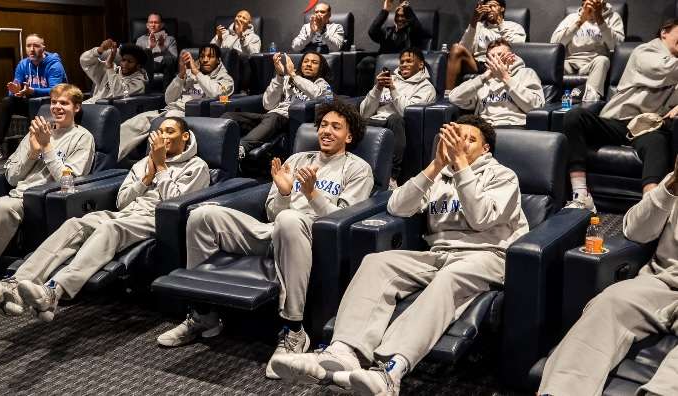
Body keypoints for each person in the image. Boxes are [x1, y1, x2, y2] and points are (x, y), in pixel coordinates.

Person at [270, 115, 529, 395]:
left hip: (488, 255)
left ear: (486, 148)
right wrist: (436, 166)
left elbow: (480, 218)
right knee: (377, 263)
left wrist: (462, 166)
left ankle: (391, 370)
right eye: (457, 136)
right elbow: (397, 206)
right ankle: (343, 351)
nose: (461, 143)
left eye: (470, 139)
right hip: (440, 253)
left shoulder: (502, 176)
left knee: (450, 277)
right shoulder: (441, 176)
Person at [156, 101, 374, 381]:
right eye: (323, 125)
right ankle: (203, 315)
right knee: (202, 215)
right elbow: (273, 211)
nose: (326, 131)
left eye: (336, 127)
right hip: (274, 230)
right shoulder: (296, 160)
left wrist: (312, 195)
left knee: (290, 221)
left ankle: (294, 331)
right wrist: (284, 193)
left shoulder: (358, 169)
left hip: (313, 238)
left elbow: (342, 220)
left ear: (350, 136)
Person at [0, 117, 210, 322]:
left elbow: (175, 204)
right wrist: (146, 178)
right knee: (76, 224)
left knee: (111, 227)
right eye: (160, 132)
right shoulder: (142, 163)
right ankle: (14, 285)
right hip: (126, 214)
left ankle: (53, 291)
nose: (163, 136)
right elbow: (122, 201)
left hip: (156, 220)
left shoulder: (197, 166)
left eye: (170, 131)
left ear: (185, 136)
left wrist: (162, 167)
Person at [0, 84, 95, 316]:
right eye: (54, 102)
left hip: (35, 203)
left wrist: (47, 147)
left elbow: (68, 181)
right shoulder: (38, 131)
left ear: (77, 107)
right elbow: (12, 176)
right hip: (11, 196)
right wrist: (32, 152)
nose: (57, 107)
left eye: (64, 103)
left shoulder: (83, 138)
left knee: (3, 207)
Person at [538, 156, 678, 396]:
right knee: (610, 301)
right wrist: (672, 184)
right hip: (662, 280)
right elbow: (634, 231)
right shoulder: (674, 182)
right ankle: (560, 390)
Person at [562, 19, 678, 212]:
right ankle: (581, 194)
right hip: (617, 121)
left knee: (657, 143)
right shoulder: (645, 52)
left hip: (648, 127)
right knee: (574, 117)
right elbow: (665, 70)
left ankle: (649, 208)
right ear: (664, 32)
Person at [118, 44, 234, 160]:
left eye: (210, 56)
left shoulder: (225, 79)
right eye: (202, 56)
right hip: (169, 111)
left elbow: (216, 94)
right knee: (133, 123)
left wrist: (196, 72)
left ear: (218, 60)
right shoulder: (189, 75)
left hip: (192, 115)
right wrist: (181, 75)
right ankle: (109, 159)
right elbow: (168, 99)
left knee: (167, 121)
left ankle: (154, 164)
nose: (205, 60)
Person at [0, 33, 67, 162]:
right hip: (31, 103)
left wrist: (32, 91)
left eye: (36, 45)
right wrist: (16, 92)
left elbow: (56, 90)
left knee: (36, 105)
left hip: (52, 104)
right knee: (8, 101)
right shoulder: (23, 65)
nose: (31, 49)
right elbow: (15, 86)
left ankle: (40, 148)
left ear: (43, 48)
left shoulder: (54, 65)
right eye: (28, 45)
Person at [222, 51, 330, 159]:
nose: (308, 64)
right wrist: (280, 76)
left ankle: (241, 148)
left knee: (273, 117)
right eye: (306, 61)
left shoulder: (322, 84)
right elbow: (268, 104)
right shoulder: (287, 79)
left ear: (320, 67)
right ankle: (220, 148)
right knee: (229, 117)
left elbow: (317, 95)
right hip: (270, 117)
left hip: (289, 120)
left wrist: (293, 74)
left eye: (314, 62)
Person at [360, 47, 436, 185]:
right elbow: (364, 113)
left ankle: (392, 177)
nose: (404, 64)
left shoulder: (426, 88)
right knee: (351, 118)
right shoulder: (389, 79)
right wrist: (377, 88)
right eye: (402, 61)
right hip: (374, 121)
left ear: (420, 64)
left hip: (397, 124)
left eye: (409, 61)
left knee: (395, 119)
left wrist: (393, 89)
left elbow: (406, 113)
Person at [449, 39, 544, 127]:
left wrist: (505, 78)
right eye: (492, 57)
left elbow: (535, 106)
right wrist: (485, 76)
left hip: (515, 126)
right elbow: (454, 98)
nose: (497, 60)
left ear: (512, 57)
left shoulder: (526, 73)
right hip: (485, 129)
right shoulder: (481, 81)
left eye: (501, 55)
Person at [551, 0, 624, 101]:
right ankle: (550, 102)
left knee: (602, 60)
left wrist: (600, 20)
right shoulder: (572, 18)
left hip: (594, 64)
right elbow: (555, 43)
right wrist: (580, 21)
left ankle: (590, 99)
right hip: (571, 64)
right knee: (553, 64)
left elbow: (616, 46)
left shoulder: (613, 17)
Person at [446, 0, 526, 91]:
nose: (489, 9)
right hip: (479, 64)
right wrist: (474, 20)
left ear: (502, 8)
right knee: (456, 48)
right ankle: (447, 97)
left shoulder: (514, 27)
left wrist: (500, 24)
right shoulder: (478, 26)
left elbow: (516, 48)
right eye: (487, 7)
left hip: (502, 63)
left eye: (493, 6)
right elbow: (465, 47)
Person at [357, 0, 426, 95]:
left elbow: (418, 28)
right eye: (397, 16)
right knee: (366, 62)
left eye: (403, 16)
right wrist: (385, 10)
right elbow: (372, 31)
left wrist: (406, 7)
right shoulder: (387, 31)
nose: (400, 19)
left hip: (402, 64)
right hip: (383, 64)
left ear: (408, 18)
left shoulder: (412, 32)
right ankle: (365, 95)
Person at [80, 39, 148, 104]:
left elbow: (118, 94)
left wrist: (109, 67)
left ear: (138, 66)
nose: (125, 64)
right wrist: (100, 50)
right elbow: (85, 62)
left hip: (106, 111)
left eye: (130, 62)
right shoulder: (112, 69)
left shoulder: (138, 83)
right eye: (123, 60)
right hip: (89, 105)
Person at [211, 10, 262, 93]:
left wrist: (241, 37)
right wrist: (219, 39)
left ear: (249, 23)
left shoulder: (254, 38)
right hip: (218, 67)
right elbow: (210, 51)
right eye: (238, 16)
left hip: (239, 70)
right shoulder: (224, 33)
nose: (240, 19)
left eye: (244, 18)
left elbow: (253, 55)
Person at [135, 12, 179, 91]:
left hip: (164, 66)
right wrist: (150, 48)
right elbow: (137, 59)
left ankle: (167, 93)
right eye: (151, 22)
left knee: (169, 59)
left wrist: (163, 47)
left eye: (156, 22)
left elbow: (174, 59)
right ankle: (148, 91)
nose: (153, 25)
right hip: (146, 65)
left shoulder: (170, 39)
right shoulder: (140, 40)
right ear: (147, 25)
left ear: (161, 25)